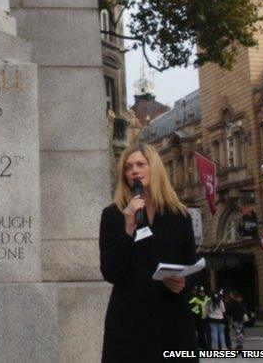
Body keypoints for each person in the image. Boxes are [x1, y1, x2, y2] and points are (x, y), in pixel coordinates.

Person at [99, 142, 198, 362]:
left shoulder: (179, 214)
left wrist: (183, 283)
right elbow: (110, 272)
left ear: (154, 169)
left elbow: (191, 265)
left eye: (141, 164)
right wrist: (128, 230)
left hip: (172, 320)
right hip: (129, 322)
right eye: (128, 166)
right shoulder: (113, 215)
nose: (134, 170)